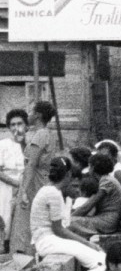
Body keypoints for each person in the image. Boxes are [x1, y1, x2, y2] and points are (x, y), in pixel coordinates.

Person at [10, 101, 64, 256]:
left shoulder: (40, 134)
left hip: (34, 183)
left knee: (25, 223)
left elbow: (31, 165)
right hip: (41, 181)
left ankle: (23, 258)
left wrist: (24, 191)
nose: (29, 114)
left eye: (31, 111)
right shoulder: (46, 134)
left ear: (38, 115)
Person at [31, 156, 103, 270]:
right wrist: (87, 243)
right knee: (97, 260)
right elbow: (58, 230)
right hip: (47, 242)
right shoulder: (52, 192)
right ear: (69, 174)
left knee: (99, 255)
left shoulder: (49, 190)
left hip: (49, 240)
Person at [71, 152, 121, 239]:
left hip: (107, 222)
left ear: (92, 167)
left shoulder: (106, 181)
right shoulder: (106, 179)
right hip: (107, 219)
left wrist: (70, 217)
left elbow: (89, 205)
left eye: (89, 166)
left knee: (70, 222)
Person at [0, 109, 23, 248]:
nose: (16, 128)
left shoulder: (29, 145)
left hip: (25, 186)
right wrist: (16, 184)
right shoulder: (3, 145)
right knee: (6, 219)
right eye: (12, 125)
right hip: (6, 187)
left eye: (19, 124)